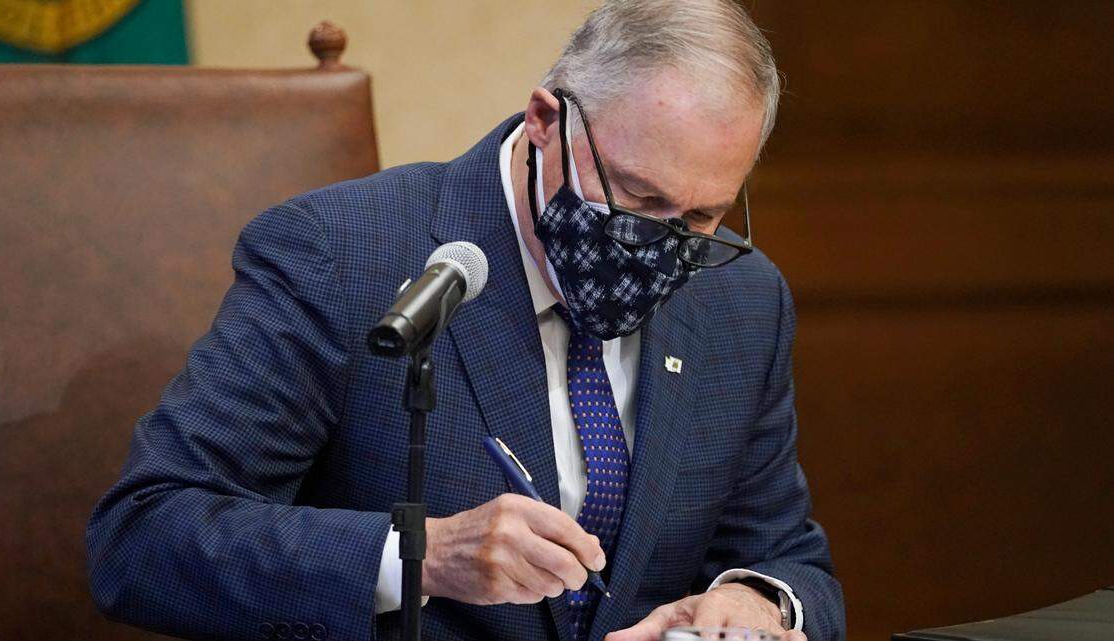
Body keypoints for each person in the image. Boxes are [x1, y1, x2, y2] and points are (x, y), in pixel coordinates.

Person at [86, 2, 845, 640]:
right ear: (547, 121)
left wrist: (754, 602)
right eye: (640, 200)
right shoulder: (341, 258)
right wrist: (421, 556)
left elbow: (787, 556)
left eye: (704, 214)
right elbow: (142, 537)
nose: (664, 244)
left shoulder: (740, 298)